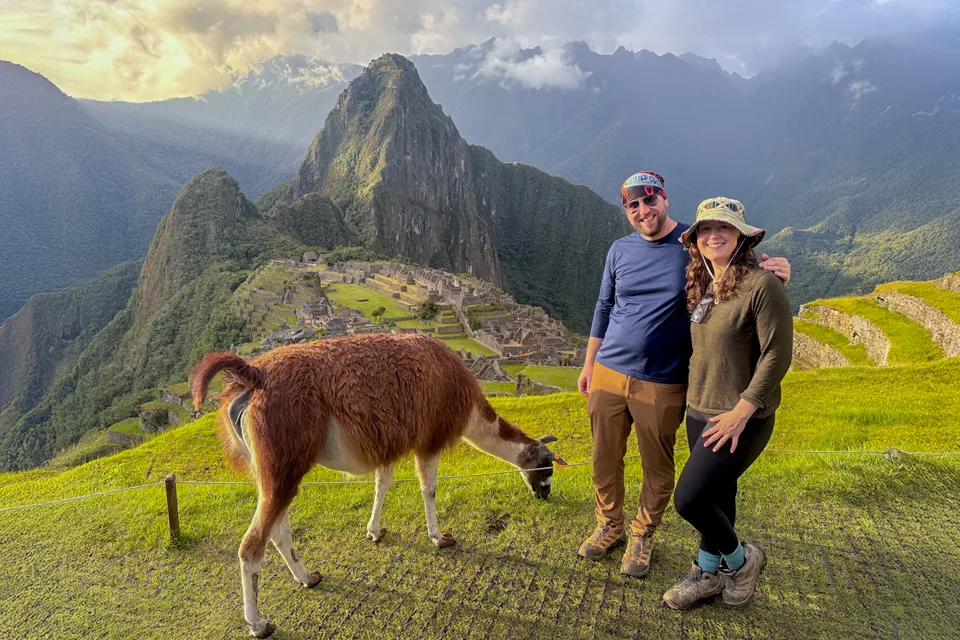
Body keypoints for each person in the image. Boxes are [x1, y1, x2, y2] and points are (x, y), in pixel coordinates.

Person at [577, 172, 791, 579]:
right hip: (608, 369)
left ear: (664, 199)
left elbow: (738, 272)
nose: (643, 210)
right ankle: (608, 524)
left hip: (663, 377)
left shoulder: (691, 247)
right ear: (626, 210)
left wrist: (777, 272)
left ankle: (643, 533)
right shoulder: (620, 249)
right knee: (605, 456)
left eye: (649, 200)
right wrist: (590, 364)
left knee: (657, 463)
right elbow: (604, 306)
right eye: (633, 204)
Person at [662, 197, 792, 610]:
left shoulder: (762, 285)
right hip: (699, 409)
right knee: (718, 495)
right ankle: (707, 573)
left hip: (740, 416)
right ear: (695, 239)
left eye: (724, 228)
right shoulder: (706, 287)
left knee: (689, 499)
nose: (713, 235)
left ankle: (740, 561)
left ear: (741, 237)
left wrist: (741, 411)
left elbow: (777, 354)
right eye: (706, 228)